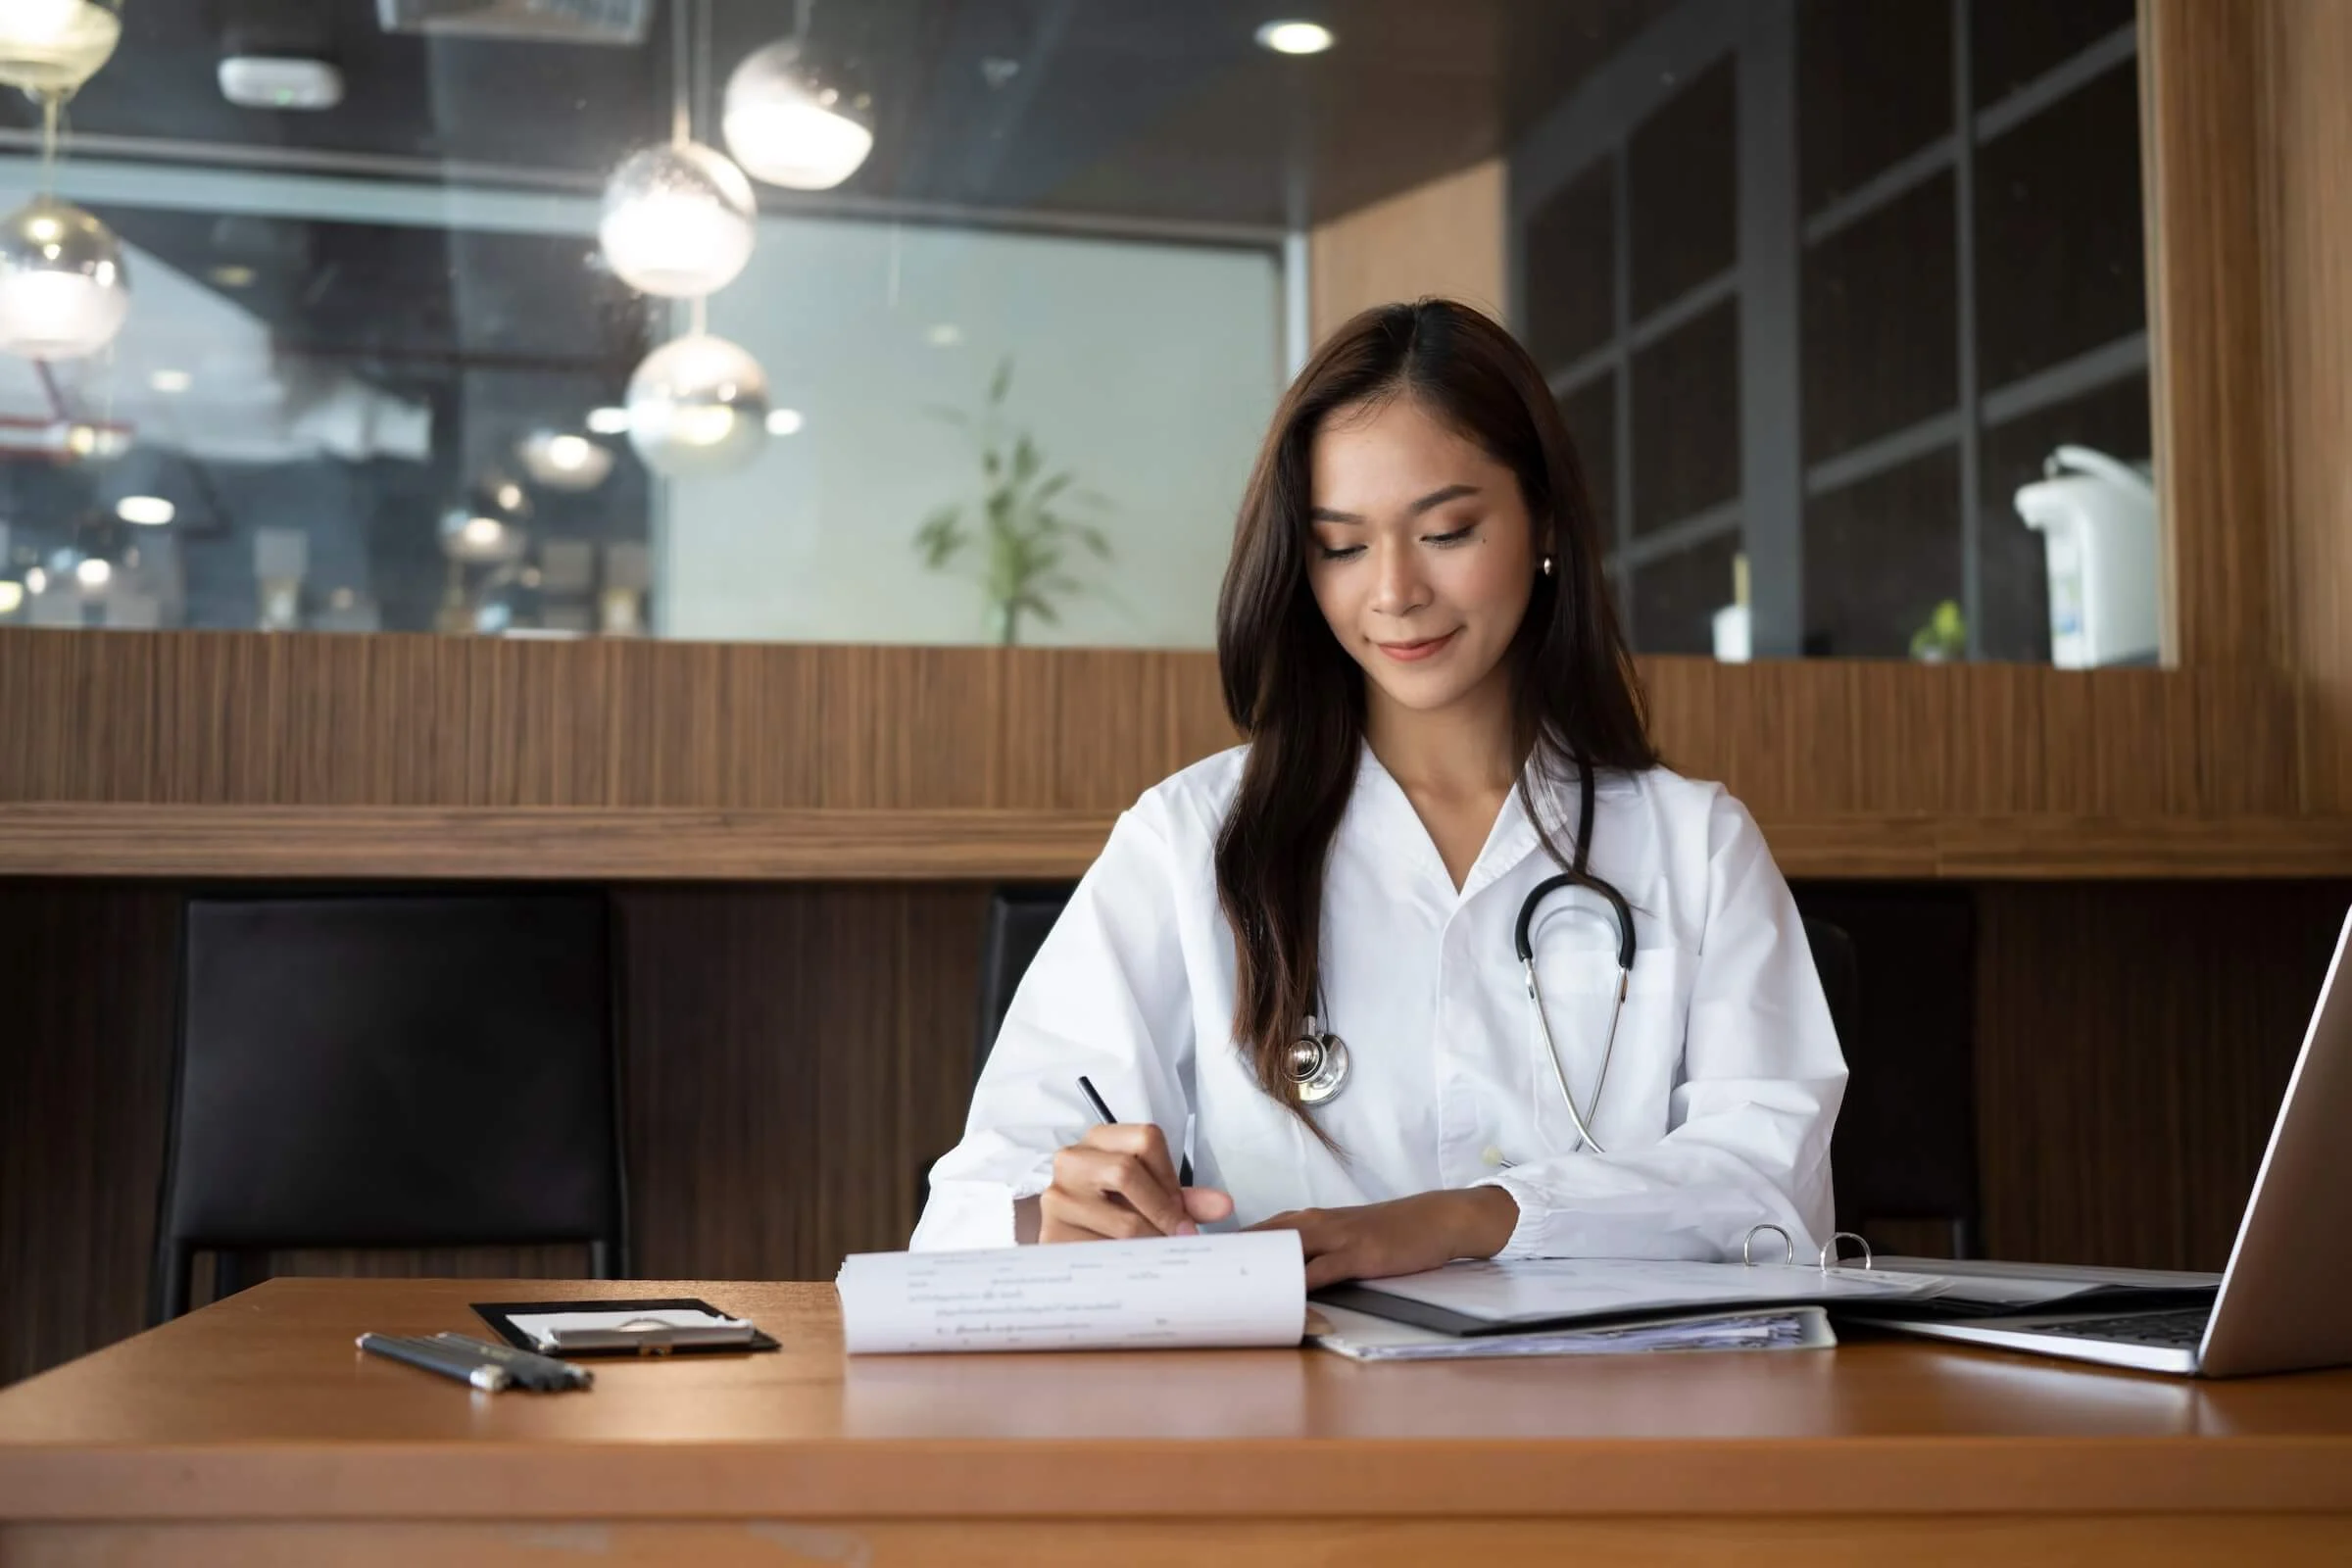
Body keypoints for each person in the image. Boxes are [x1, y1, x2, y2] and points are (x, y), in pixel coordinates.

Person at [911, 299, 1845, 1288]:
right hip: (1300, 1423)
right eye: (1342, 545)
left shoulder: (1695, 845)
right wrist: (1056, 1211)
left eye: (1446, 529)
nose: (1393, 591)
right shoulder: (1188, 842)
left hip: (1617, 1418)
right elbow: (971, 1205)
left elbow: (1774, 1197)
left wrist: (1467, 1220)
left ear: (1546, 527)